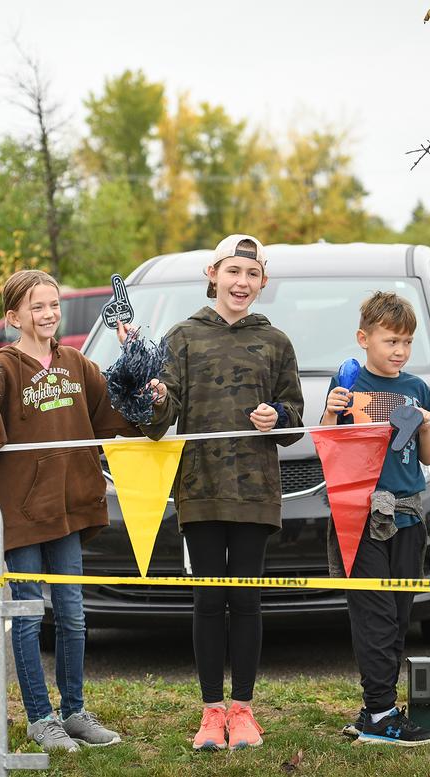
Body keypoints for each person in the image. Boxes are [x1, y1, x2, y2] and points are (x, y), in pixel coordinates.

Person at [0, 269, 140, 752]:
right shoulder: (0, 368)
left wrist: (143, 386)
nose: (49, 314)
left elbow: (113, 415)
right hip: (24, 514)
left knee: (75, 617)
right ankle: (40, 717)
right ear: (14, 317)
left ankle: (74, 711)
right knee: (30, 616)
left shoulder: (77, 363)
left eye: (54, 304)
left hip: (71, 509)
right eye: (38, 307)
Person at [142, 234, 305, 751]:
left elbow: (294, 419)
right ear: (212, 274)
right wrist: (155, 396)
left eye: (252, 275)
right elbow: (158, 422)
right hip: (201, 490)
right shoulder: (182, 338)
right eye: (233, 272)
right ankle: (212, 711)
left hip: (256, 492)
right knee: (209, 601)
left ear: (263, 282)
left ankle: (244, 709)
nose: (242, 283)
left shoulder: (275, 341)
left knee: (249, 601)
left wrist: (276, 417)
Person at [320, 291, 430, 746]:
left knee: (398, 614)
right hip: (361, 518)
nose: (400, 351)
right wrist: (333, 412)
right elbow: (327, 445)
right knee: (374, 617)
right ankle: (380, 715)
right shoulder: (348, 388)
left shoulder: (417, 387)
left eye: (407, 342)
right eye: (391, 341)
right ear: (363, 339)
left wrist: (426, 425)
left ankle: (378, 706)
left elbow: (428, 457)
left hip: (409, 518)